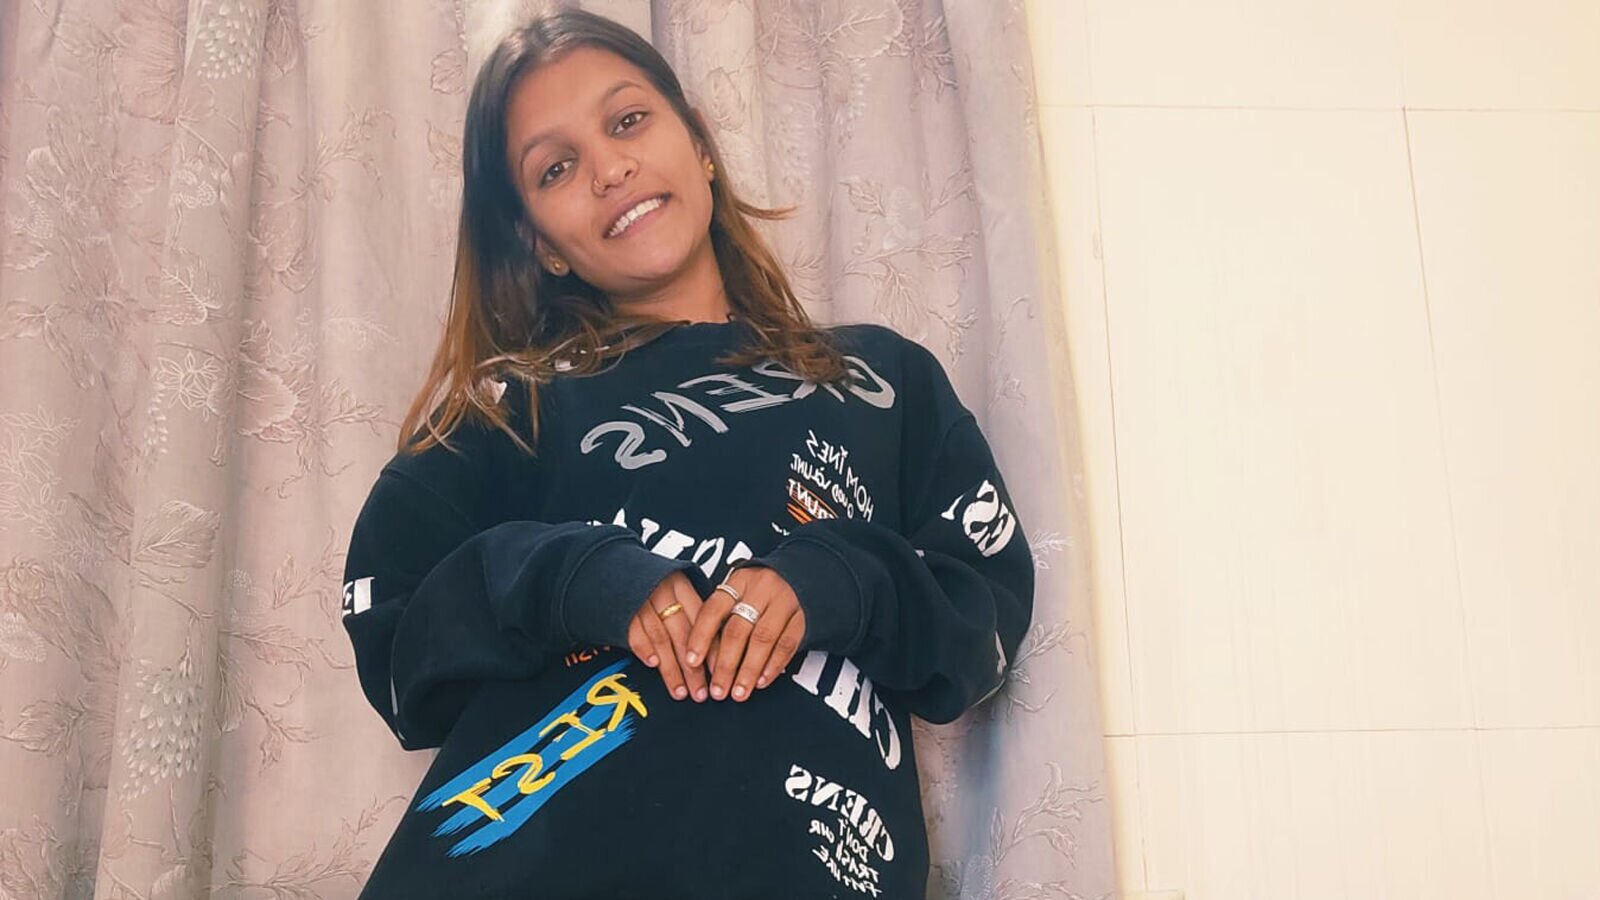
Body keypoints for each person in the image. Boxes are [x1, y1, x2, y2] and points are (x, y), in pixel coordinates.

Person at [339, 9, 1034, 899]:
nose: (609, 168)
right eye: (556, 168)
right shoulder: (505, 409)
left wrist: (840, 579)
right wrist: (575, 577)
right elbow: (394, 637)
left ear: (701, 144)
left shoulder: (880, 380)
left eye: (628, 120)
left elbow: (984, 612)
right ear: (541, 243)